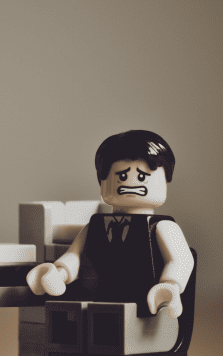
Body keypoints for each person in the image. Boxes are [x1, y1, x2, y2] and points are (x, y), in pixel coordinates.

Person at [26, 130, 194, 318]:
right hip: (97, 303)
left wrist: (170, 285)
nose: (131, 183)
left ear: (165, 180)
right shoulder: (94, 226)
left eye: (142, 177)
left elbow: (181, 259)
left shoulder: (163, 227)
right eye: (121, 176)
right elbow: (75, 256)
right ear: (102, 180)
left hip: (145, 309)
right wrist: (61, 274)